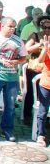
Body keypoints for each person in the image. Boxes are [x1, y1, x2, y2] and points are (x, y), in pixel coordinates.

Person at [23, 16, 50, 125]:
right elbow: (26, 49)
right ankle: (27, 115)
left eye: (49, 27)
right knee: (30, 92)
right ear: (40, 27)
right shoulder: (35, 36)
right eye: (44, 27)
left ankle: (45, 118)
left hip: (47, 69)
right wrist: (39, 45)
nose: (47, 30)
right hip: (35, 68)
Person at [32, 17, 50, 146]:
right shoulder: (46, 44)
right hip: (47, 83)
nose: (48, 30)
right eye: (45, 27)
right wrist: (45, 48)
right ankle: (41, 135)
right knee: (43, 111)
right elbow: (40, 61)